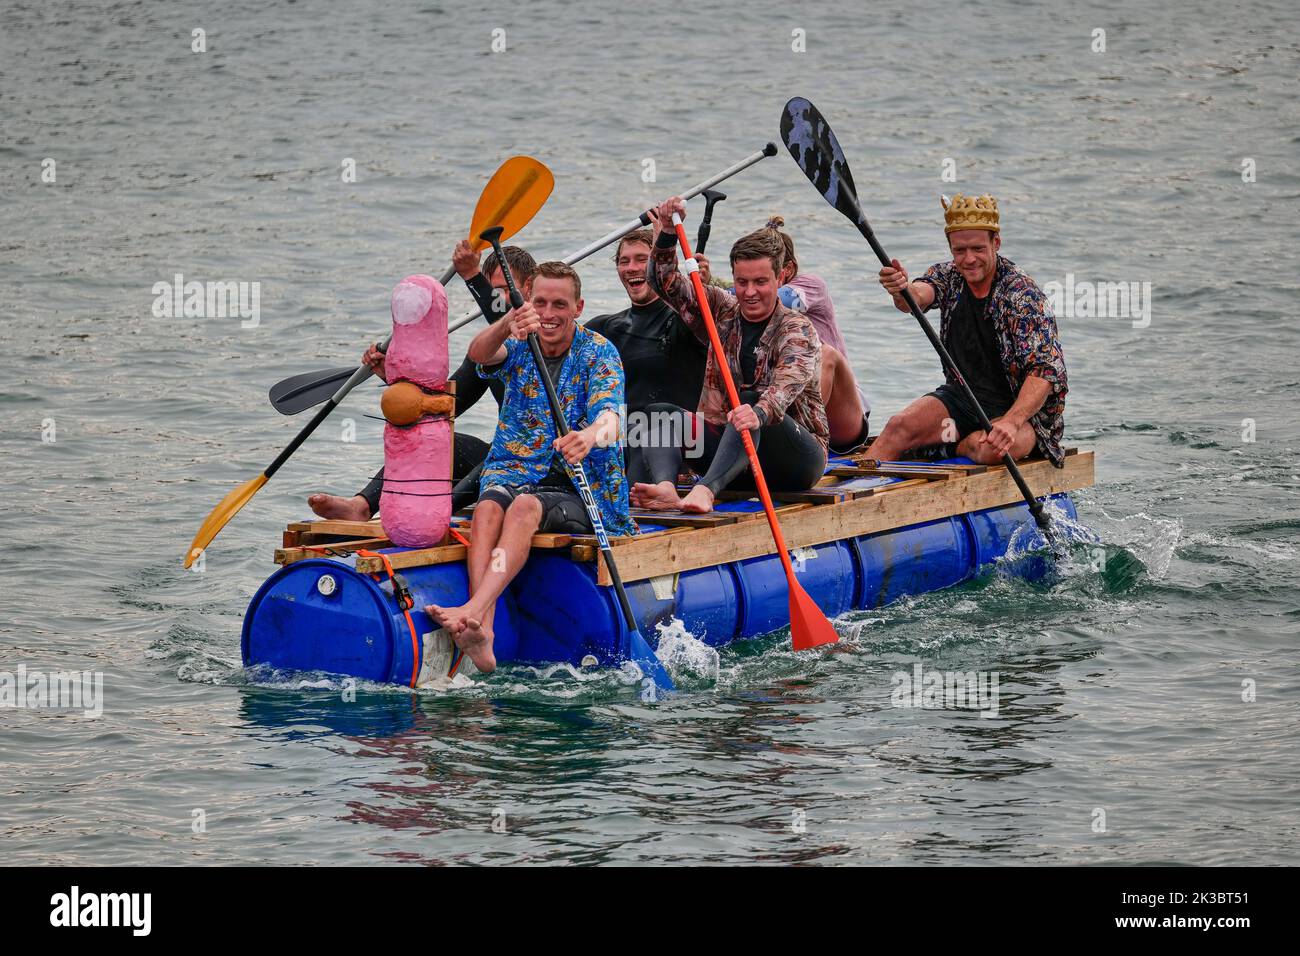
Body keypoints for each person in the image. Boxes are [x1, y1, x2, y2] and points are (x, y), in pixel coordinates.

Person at [427, 261, 633, 672]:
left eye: (561, 304)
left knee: (522, 509)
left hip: (580, 486)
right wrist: (507, 322)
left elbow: (612, 418)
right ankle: (482, 630)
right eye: (541, 302)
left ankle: (473, 607)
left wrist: (589, 436)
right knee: (486, 509)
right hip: (517, 471)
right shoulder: (521, 342)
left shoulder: (599, 353)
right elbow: (479, 354)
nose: (550, 313)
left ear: (579, 307)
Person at [306, 243, 537, 521]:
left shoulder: (553, 342)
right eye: (491, 291)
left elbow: (506, 319)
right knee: (443, 440)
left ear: (530, 288)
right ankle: (363, 505)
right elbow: (441, 407)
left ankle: (434, 518)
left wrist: (472, 276)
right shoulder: (489, 354)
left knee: (498, 457)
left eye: (500, 291)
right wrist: (393, 374)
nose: (496, 298)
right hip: (505, 462)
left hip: (548, 465)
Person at [630, 196, 828, 514]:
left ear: (780, 279)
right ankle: (666, 487)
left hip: (793, 462)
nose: (750, 292)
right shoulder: (721, 310)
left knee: (746, 403)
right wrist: (667, 231)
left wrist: (759, 413)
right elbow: (664, 282)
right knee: (658, 412)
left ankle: (705, 491)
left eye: (761, 282)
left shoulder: (796, 328)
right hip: (732, 455)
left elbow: (785, 387)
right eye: (742, 282)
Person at [870, 193, 1068, 466]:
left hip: (1020, 413)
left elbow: (1045, 370)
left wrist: (1011, 422)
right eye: (960, 250)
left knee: (990, 448)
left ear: (995, 243)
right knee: (897, 427)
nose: (969, 259)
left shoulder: (1022, 295)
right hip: (963, 399)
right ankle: (851, 494)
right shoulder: (948, 276)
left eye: (977, 249)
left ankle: (948, 447)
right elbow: (916, 297)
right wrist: (900, 288)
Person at [583, 228, 708, 480]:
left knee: (646, 424)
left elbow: (716, 318)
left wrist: (700, 290)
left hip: (681, 447)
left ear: (656, 266)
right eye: (624, 261)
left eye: (641, 259)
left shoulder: (688, 322)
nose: (631, 267)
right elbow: (547, 341)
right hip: (623, 443)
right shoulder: (603, 328)